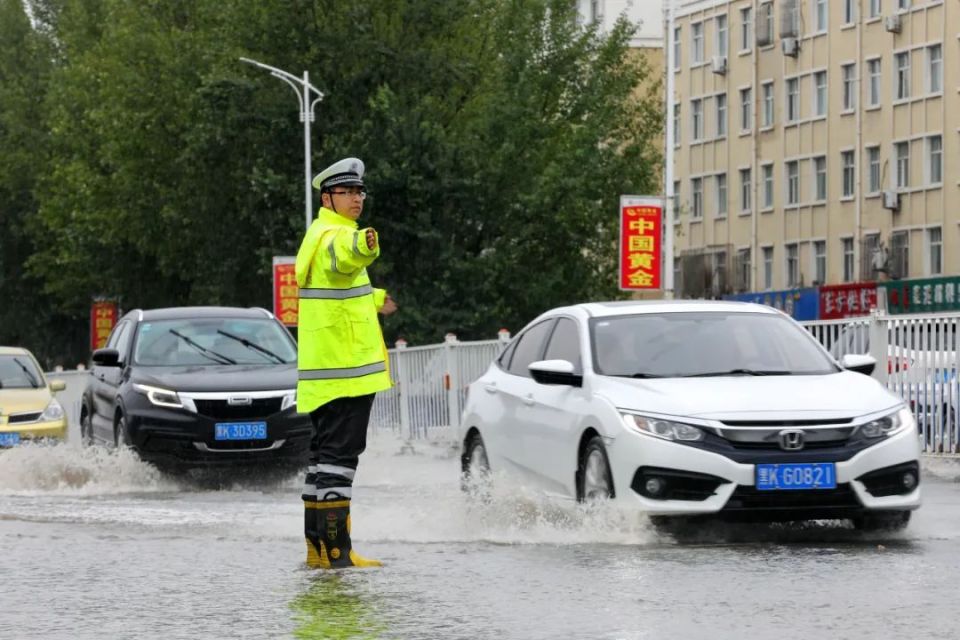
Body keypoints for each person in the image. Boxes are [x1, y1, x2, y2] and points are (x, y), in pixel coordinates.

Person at [295, 157, 397, 569]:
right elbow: (345, 258)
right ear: (327, 197)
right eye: (347, 192)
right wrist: (366, 243)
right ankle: (339, 552)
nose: (357, 198)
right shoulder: (337, 235)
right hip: (346, 375)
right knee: (339, 461)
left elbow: (335, 287)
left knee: (321, 462)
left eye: (359, 192)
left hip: (323, 375)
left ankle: (318, 550)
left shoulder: (316, 235)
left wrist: (375, 300)